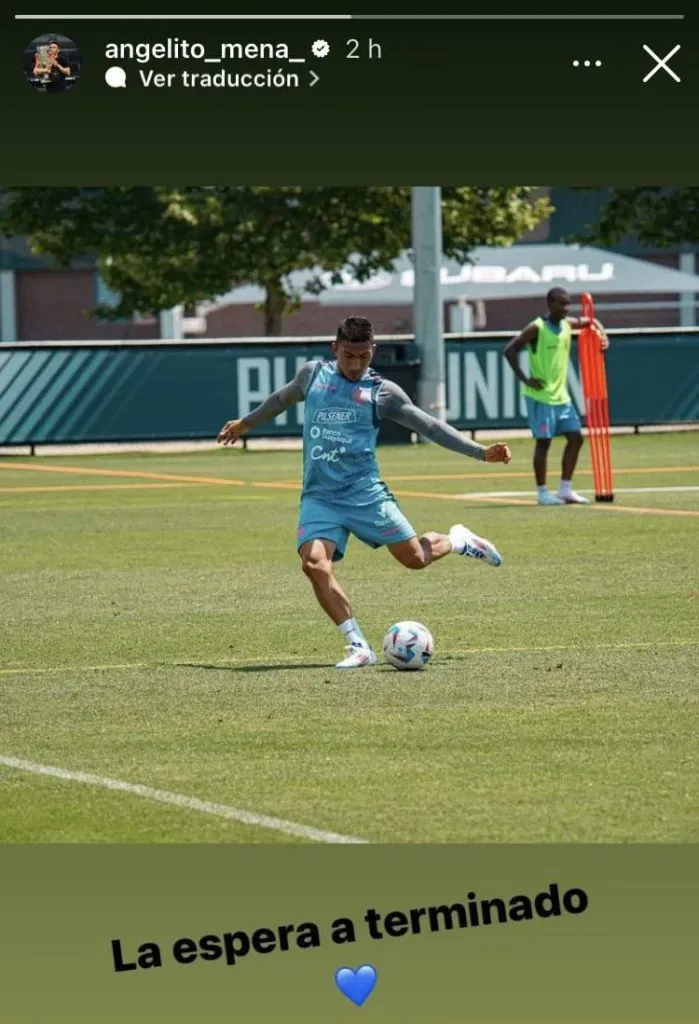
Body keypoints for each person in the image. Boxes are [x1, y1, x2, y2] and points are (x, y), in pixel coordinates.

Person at [218, 316, 512, 669]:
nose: (356, 365)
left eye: (363, 356)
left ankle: (459, 541)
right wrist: (245, 423)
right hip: (319, 497)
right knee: (313, 564)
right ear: (334, 350)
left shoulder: (382, 392)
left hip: (365, 494)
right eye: (348, 356)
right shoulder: (313, 375)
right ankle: (358, 645)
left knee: (415, 559)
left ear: (373, 351)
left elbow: (430, 426)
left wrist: (480, 452)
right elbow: (279, 400)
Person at [503, 287, 609, 506]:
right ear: (549, 304)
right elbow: (510, 350)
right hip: (541, 397)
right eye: (562, 303)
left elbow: (590, 321)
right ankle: (542, 492)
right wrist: (526, 379)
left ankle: (565, 490)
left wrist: (603, 336)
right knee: (544, 443)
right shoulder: (537, 328)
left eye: (568, 303)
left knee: (576, 438)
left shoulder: (566, 324)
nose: (566, 308)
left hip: (562, 397)